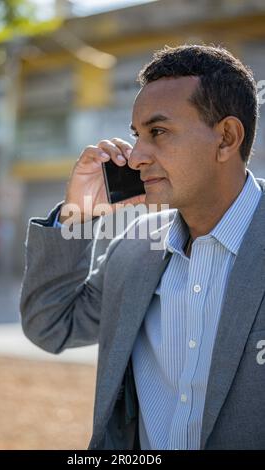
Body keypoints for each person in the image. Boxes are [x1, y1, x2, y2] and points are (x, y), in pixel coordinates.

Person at [20, 44, 265, 450]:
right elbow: (50, 325)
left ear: (226, 138)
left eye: (158, 132)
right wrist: (76, 218)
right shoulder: (134, 251)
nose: (135, 157)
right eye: (137, 136)